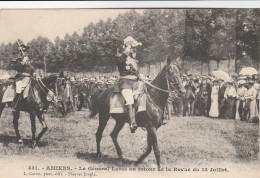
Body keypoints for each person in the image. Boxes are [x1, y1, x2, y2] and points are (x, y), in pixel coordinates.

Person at [115, 36, 142, 133]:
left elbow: (136, 73)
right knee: (130, 100)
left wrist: (140, 76)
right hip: (125, 83)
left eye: (135, 49)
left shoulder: (135, 61)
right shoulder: (120, 57)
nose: (135, 51)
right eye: (133, 49)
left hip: (135, 83)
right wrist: (126, 50)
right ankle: (132, 123)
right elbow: (120, 60)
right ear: (128, 49)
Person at [11, 42, 34, 112]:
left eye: (25, 49)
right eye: (23, 48)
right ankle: (14, 105)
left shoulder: (27, 57)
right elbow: (16, 68)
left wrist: (34, 72)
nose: (24, 50)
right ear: (20, 49)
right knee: (19, 90)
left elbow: (31, 67)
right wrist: (21, 62)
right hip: (20, 77)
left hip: (29, 77)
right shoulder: (17, 58)